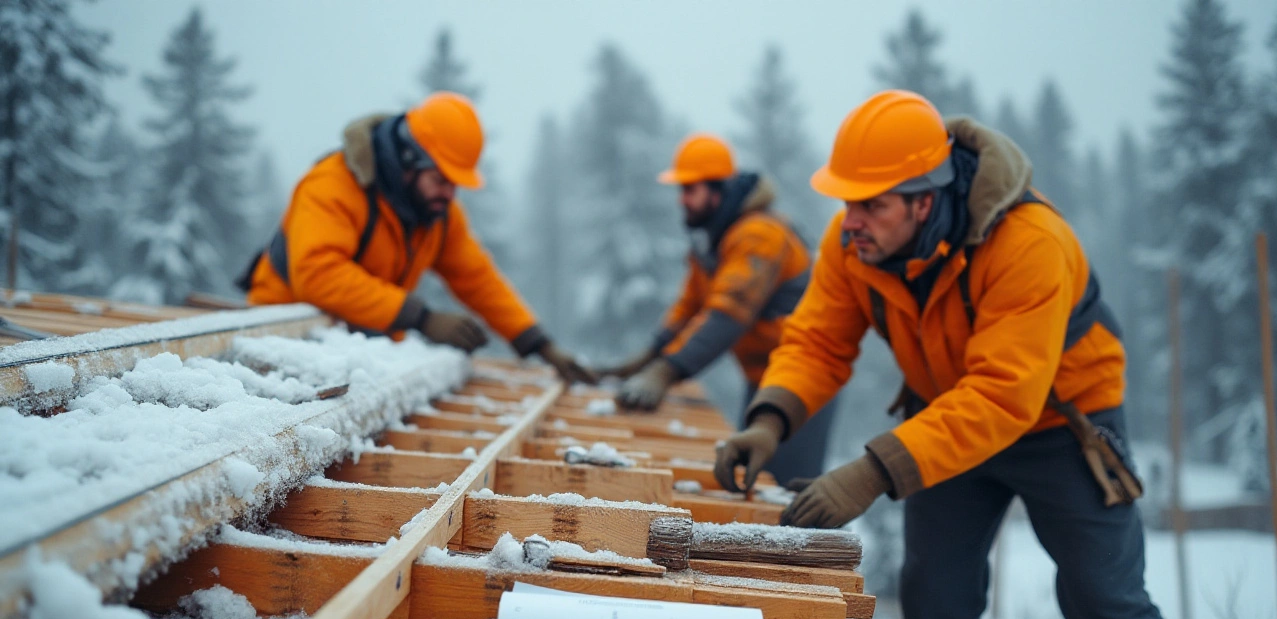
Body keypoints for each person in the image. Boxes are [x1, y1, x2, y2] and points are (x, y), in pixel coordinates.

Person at [714, 90, 1198, 619]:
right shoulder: (852, 241)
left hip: (1063, 425)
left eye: (872, 204)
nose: (851, 219)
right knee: (935, 603)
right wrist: (769, 420)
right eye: (847, 201)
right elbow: (817, 340)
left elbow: (1003, 395)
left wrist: (872, 472)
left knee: (1103, 600)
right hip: (946, 419)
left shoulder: (1028, 242)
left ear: (925, 198)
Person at [244, 92, 593, 385]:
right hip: (279, 342)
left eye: (455, 183)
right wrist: (421, 318)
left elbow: (477, 278)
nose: (449, 193)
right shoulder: (333, 187)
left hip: (348, 348)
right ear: (408, 159)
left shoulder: (436, 212)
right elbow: (317, 275)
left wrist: (537, 342)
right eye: (441, 179)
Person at [601, 133, 834, 486]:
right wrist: (647, 358)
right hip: (762, 379)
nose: (682, 200)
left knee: (785, 494)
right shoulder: (713, 241)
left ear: (717, 190)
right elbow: (689, 310)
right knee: (754, 483)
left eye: (690, 190)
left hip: (805, 383)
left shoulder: (759, 235)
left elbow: (726, 317)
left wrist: (665, 373)